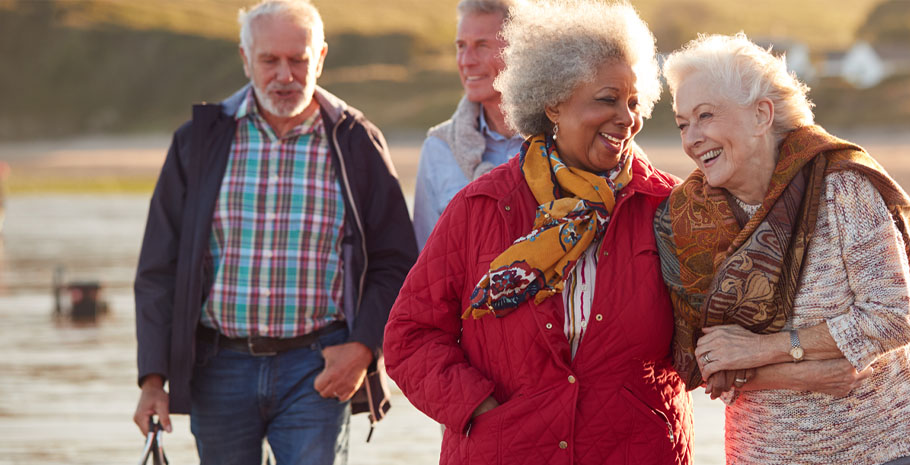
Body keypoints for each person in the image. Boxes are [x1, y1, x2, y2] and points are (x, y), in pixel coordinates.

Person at [384, 1, 692, 463]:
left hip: (636, 449)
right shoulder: (480, 206)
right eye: (607, 99)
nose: (627, 118)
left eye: (633, 102)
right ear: (553, 102)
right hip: (505, 450)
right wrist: (477, 407)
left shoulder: (669, 206)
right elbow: (411, 334)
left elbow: (714, 335)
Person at [131, 1, 418, 463]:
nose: (285, 75)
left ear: (320, 58)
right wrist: (152, 381)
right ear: (246, 60)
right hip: (217, 368)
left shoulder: (355, 141)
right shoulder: (198, 141)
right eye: (270, 60)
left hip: (319, 367)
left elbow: (395, 260)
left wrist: (363, 349)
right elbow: (158, 269)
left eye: (298, 59)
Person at [655, 32, 910, 464]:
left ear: (762, 114)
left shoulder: (842, 188)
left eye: (705, 116)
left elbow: (890, 317)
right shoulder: (686, 218)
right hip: (763, 453)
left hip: (884, 448)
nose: (692, 139)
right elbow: (702, 362)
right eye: (683, 124)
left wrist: (763, 350)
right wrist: (814, 374)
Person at [412, 0, 525, 249]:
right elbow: (425, 264)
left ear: (522, 50)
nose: (466, 60)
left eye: (482, 45)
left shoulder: (566, 142)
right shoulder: (438, 149)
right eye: (461, 46)